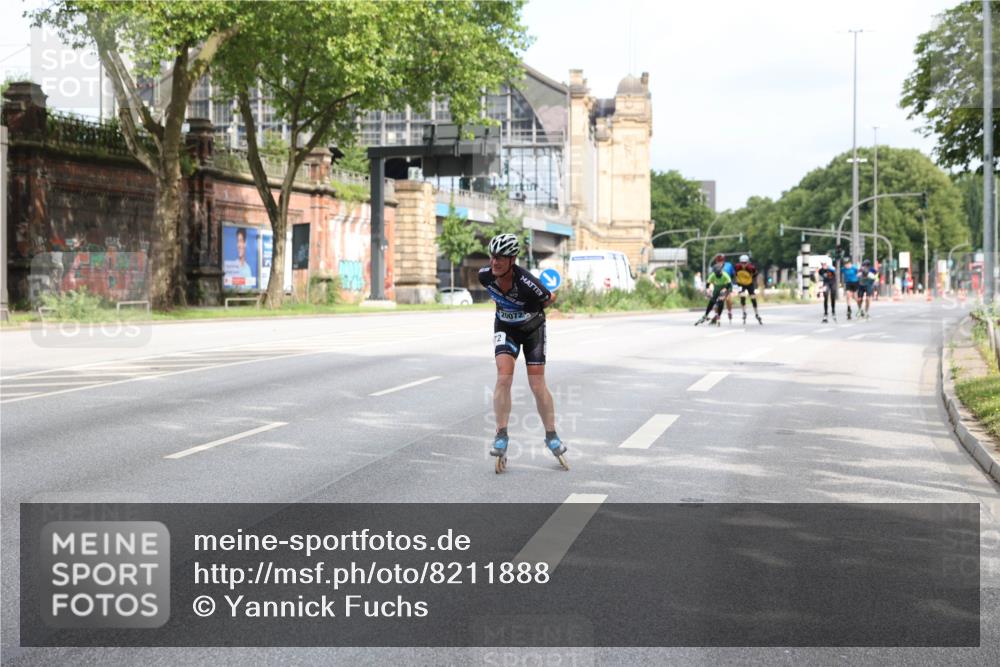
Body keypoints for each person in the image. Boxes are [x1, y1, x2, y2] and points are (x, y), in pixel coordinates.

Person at [479, 233, 566, 469]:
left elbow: (550, 297)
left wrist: (530, 307)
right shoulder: (484, 276)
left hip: (532, 329)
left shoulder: (528, 283)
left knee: (537, 384)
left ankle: (551, 435)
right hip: (506, 327)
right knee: (503, 376)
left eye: (501, 258)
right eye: (493, 257)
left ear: (512, 260)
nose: (495, 262)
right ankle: (501, 434)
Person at [733, 254, 762, 325]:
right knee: (742, 297)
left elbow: (756, 274)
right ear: (740, 262)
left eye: (745, 263)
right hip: (740, 284)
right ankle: (744, 312)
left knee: (753, 298)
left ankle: (756, 313)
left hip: (749, 284)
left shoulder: (751, 267)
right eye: (742, 263)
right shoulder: (737, 267)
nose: (743, 264)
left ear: (748, 262)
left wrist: (752, 278)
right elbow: (734, 274)